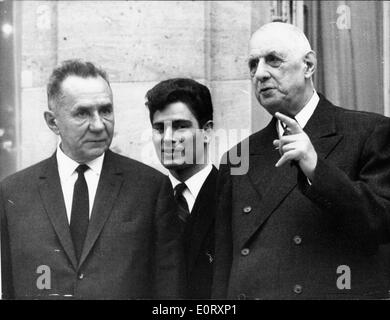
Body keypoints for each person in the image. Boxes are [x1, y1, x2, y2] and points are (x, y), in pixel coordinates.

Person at [212, 22, 390, 299]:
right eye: (252, 64)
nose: (260, 74)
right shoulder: (239, 155)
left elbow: (381, 224)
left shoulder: (369, 133)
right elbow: (225, 265)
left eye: (273, 60)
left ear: (308, 65)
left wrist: (316, 168)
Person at [0, 59, 183, 299]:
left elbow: (169, 292)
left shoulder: (150, 188)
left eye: (105, 110)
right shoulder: (14, 192)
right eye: (82, 113)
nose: (98, 125)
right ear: (52, 122)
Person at [145, 78, 217, 299]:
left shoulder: (232, 194)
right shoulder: (144, 200)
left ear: (207, 132)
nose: (168, 139)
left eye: (179, 126)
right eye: (159, 128)